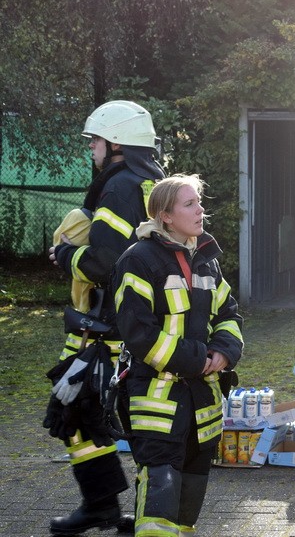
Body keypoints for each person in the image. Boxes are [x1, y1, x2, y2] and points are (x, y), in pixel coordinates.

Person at [45, 100, 166, 535]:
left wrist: (64, 255)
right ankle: (143, 512)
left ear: (115, 144)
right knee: (142, 427)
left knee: (74, 411)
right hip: (143, 325)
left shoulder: (118, 187)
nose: (91, 149)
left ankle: (102, 505)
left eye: (94, 140)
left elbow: (103, 263)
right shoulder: (155, 184)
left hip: (107, 331)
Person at [111, 174, 244, 535]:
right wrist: (198, 360)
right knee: (160, 501)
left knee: (189, 503)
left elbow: (229, 314)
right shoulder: (138, 260)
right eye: (190, 204)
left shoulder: (205, 260)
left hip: (202, 404)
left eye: (199, 202)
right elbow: (138, 332)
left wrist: (224, 353)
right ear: (165, 215)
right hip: (158, 403)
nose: (201, 210)